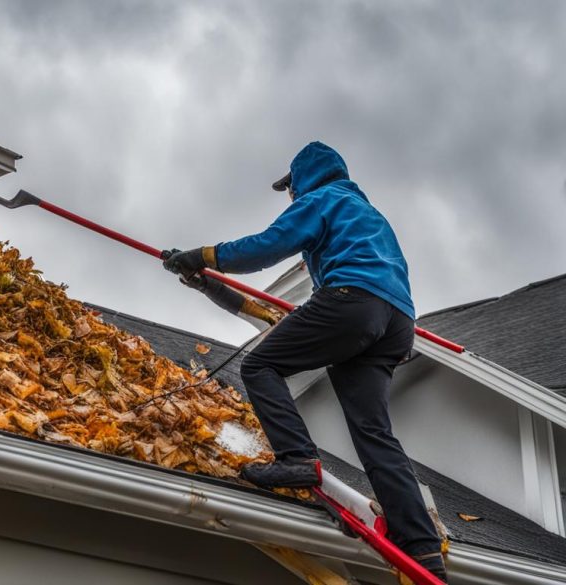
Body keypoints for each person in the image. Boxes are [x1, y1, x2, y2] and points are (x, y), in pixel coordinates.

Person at [162, 141, 446, 581]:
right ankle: (422, 547)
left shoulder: (322, 200)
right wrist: (204, 283)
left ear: (304, 181)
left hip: (352, 301)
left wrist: (200, 254)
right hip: (394, 320)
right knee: (373, 431)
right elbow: (268, 315)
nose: (292, 197)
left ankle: (297, 458)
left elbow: (266, 247)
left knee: (259, 367)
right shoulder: (368, 217)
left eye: (291, 188)